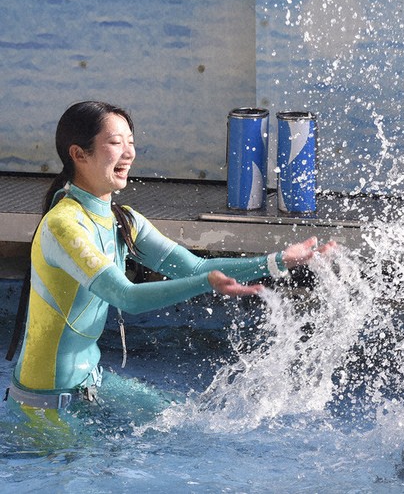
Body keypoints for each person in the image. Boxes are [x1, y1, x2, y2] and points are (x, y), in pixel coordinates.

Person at [4, 100, 335, 411]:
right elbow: (126, 297)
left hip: (90, 382)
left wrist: (277, 262)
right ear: (79, 153)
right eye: (116, 143)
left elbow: (195, 266)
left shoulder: (124, 219)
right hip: (45, 401)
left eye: (130, 142)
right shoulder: (64, 225)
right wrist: (205, 284)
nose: (129, 153)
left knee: (181, 416)